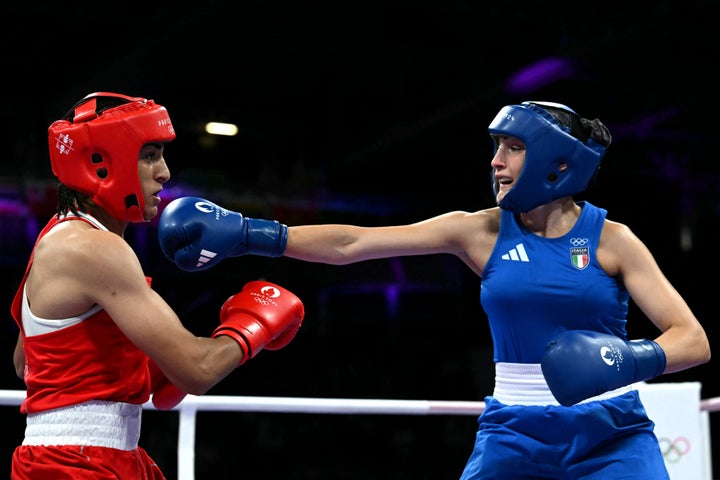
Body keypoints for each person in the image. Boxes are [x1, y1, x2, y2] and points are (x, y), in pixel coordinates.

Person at [156, 100, 711, 478]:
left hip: (611, 432)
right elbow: (353, 243)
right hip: (514, 433)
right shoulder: (479, 231)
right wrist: (254, 234)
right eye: (496, 147)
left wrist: (628, 357)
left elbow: (692, 339)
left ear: (555, 160)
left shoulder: (614, 240)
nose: (495, 161)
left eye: (512, 148)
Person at [9, 92, 305, 480]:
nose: (164, 172)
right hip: (77, 462)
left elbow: (26, 362)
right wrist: (253, 324)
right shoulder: (94, 248)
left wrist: (138, 365)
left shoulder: (57, 237)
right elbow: (198, 369)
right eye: (149, 156)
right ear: (101, 164)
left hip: (84, 456)